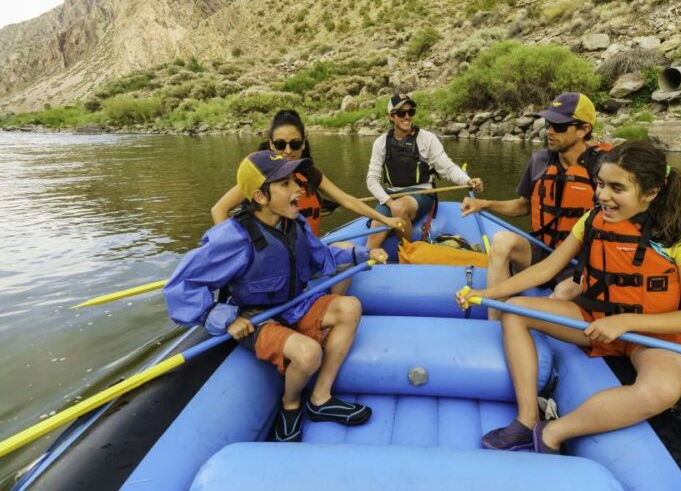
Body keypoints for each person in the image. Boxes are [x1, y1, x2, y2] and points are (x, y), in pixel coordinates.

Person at [456, 141, 681, 454]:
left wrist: (626, 321)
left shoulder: (679, 235)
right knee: (514, 311)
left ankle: (552, 433)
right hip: (594, 322)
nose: (603, 195)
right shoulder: (592, 218)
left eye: (617, 188)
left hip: (653, 336)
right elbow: (546, 268)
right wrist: (486, 294)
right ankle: (527, 419)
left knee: (659, 391)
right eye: (601, 184)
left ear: (651, 193)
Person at [165, 150, 389, 443]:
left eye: (294, 181)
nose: (298, 189)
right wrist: (221, 318)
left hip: (293, 306)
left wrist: (363, 253)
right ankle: (291, 404)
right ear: (260, 197)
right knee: (309, 353)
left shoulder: (294, 225)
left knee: (349, 307)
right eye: (285, 184)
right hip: (256, 318)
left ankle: (320, 398)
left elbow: (322, 257)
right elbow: (179, 287)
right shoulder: (233, 238)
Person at [460, 93, 609, 319]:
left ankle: (538, 325)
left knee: (563, 292)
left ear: (584, 130)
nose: (549, 131)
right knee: (501, 241)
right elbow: (524, 206)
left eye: (559, 126)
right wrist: (484, 203)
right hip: (544, 250)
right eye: (549, 124)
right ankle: (494, 323)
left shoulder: (605, 168)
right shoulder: (539, 161)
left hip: (582, 260)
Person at [211, 109, 405, 236]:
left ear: (303, 143)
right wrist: (231, 246)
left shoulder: (307, 171)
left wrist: (385, 219)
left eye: (295, 144)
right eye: (280, 144)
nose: (288, 151)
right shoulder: (258, 174)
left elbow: (346, 200)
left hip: (303, 250)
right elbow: (219, 209)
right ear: (270, 144)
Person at [365, 93, 483, 249]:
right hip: (392, 194)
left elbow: (446, 167)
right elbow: (371, 179)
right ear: (392, 117)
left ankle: (407, 253)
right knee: (376, 225)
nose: (407, 116)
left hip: (422, 194)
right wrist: (389, 202)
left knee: (399, 208)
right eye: (401, 113)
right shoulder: (380, 143)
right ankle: (367, 261)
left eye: (410, 112)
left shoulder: (427, 139)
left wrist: (466, 180)